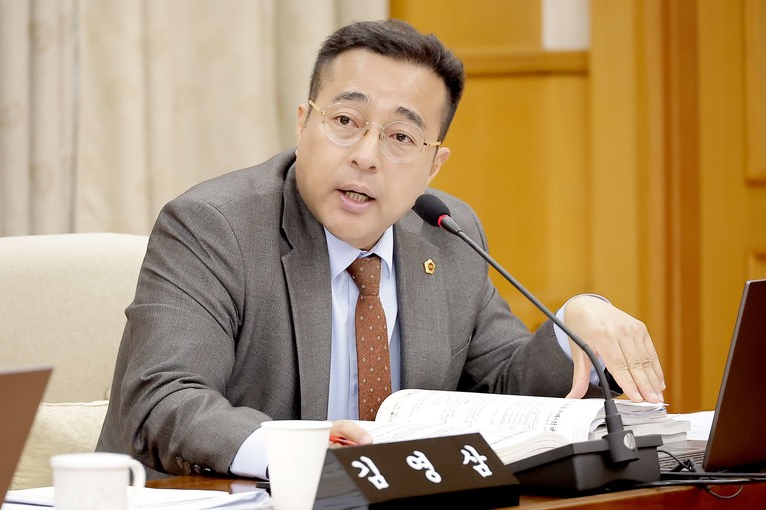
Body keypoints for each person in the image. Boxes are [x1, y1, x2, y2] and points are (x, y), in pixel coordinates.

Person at [97, 18, 665, 480]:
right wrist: (305, 454)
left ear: (432, 165)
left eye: (400, 137)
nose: (366, 156)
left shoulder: (445, 233)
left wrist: (572, 327)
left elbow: (502, 386)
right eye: (346, 120)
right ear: (303, 124)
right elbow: (164, 400)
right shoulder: (213, 226)